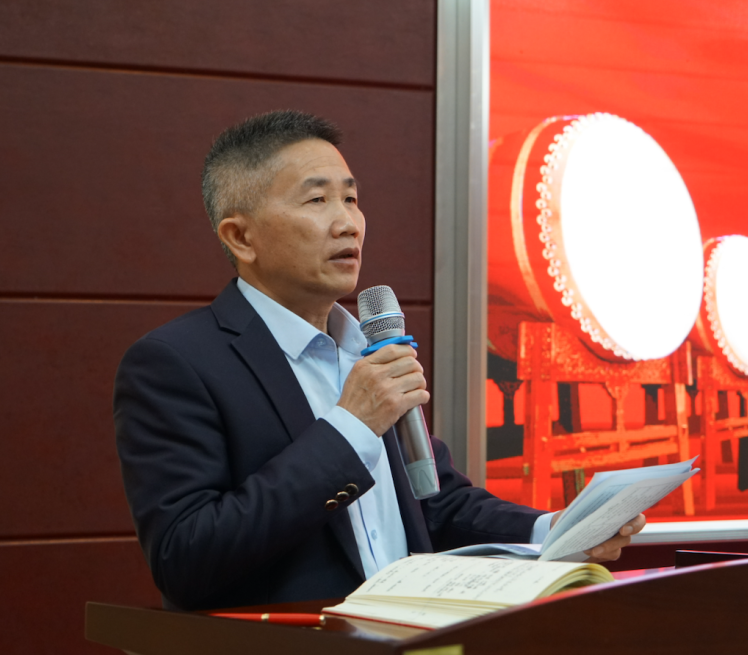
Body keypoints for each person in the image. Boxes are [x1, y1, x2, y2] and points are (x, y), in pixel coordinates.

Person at [113, 110, 644, 611]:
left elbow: (435, 502)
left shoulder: (367, 348)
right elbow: (185, 557)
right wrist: (351, 427)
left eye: (351, 198)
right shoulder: (176, 364)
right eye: (317, 200)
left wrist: (554, 531)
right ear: (241, 237)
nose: (348, 223)